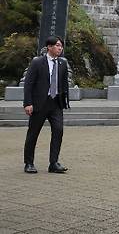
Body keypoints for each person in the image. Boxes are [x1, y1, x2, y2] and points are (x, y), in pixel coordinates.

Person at [23, 35, 70, 174]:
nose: (60, 48)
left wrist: (64, 101)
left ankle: (54, 163)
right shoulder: (37, 62)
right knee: (33, 133)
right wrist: (28, 103)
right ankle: (29, 163)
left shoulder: (62, 63)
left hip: (55, 104)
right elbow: (28, 84)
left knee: (58, 130)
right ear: (49, 47)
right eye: (57, 45)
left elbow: (64, 84)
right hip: (39, 104)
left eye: (61, 46)